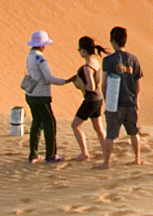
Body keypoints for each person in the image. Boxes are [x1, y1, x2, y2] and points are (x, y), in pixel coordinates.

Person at [22, 30, 70, 163]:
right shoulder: (40, 59)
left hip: (30, 94)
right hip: (41, 96)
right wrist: (64, 81)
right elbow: (48, 78)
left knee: (36, 123)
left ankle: (33, 154)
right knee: (49, 123)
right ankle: (51, 155)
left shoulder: (30, 56)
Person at [98, 26, 143, 168]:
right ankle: (137, 158)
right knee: (133, 132)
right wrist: (136, 100)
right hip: (130, 102)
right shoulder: (133, 59)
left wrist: (106, 100)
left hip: (114, 103)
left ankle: (106, 162)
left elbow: (104, 83)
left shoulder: (108, 60)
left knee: (110, 134)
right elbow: (137, 83)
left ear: (112, 41)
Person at [69, 36, 106, 162]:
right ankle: (106, 151)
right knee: (98, 128)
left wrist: (79, 85)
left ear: (84, 50)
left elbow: (91, 86)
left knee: (75, 125)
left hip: (90, 100)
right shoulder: (96, 62)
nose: (79, 51)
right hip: (98, 100)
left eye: (79, 49)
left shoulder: (86, 67)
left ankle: (84, 153)